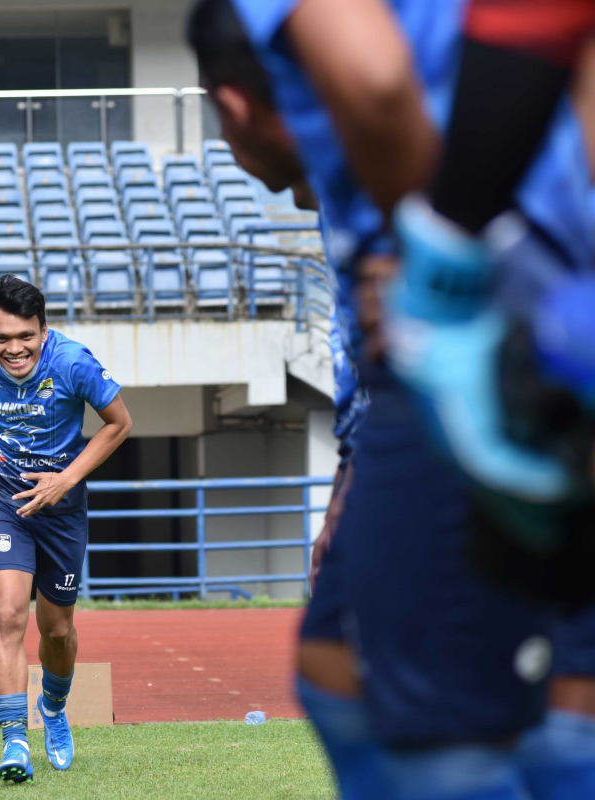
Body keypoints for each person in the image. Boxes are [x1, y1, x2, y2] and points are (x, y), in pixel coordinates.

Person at [188, 2, 594, 798]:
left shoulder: (399, 168)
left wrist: (451, 270)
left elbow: (373, 83)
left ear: (232, 104)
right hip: (520, 325)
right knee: (345, 670)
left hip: (473, 350)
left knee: (436, 717)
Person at [0, 275, 132, 783]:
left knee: (57, 629)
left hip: (61, 508)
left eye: (26, 336)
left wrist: (65, 479)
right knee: (8, 612)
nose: (14, 349)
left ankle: (55, 708)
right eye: (2, 339)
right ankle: (14, 739)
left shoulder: (73, 362)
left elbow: (119, 423)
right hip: (1, 499)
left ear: (43, 329)